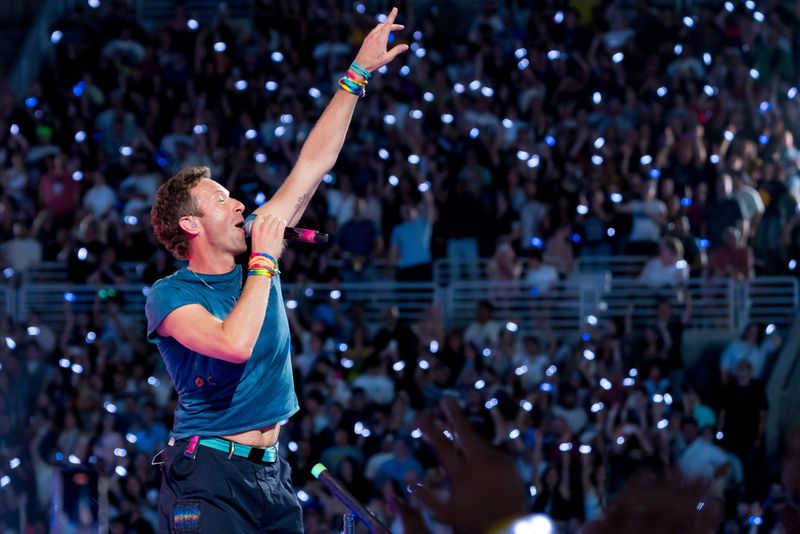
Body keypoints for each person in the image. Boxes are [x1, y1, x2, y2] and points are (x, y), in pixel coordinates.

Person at [144, 11, 408, 532]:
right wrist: (265, 261)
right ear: (191, 224)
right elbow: (233, 343)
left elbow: (314, 163)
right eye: (221, 200)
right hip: (209, 475)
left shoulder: (253, 259)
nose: (240, 203)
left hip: (274, 474)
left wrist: (357, 73)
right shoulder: (170, 296)